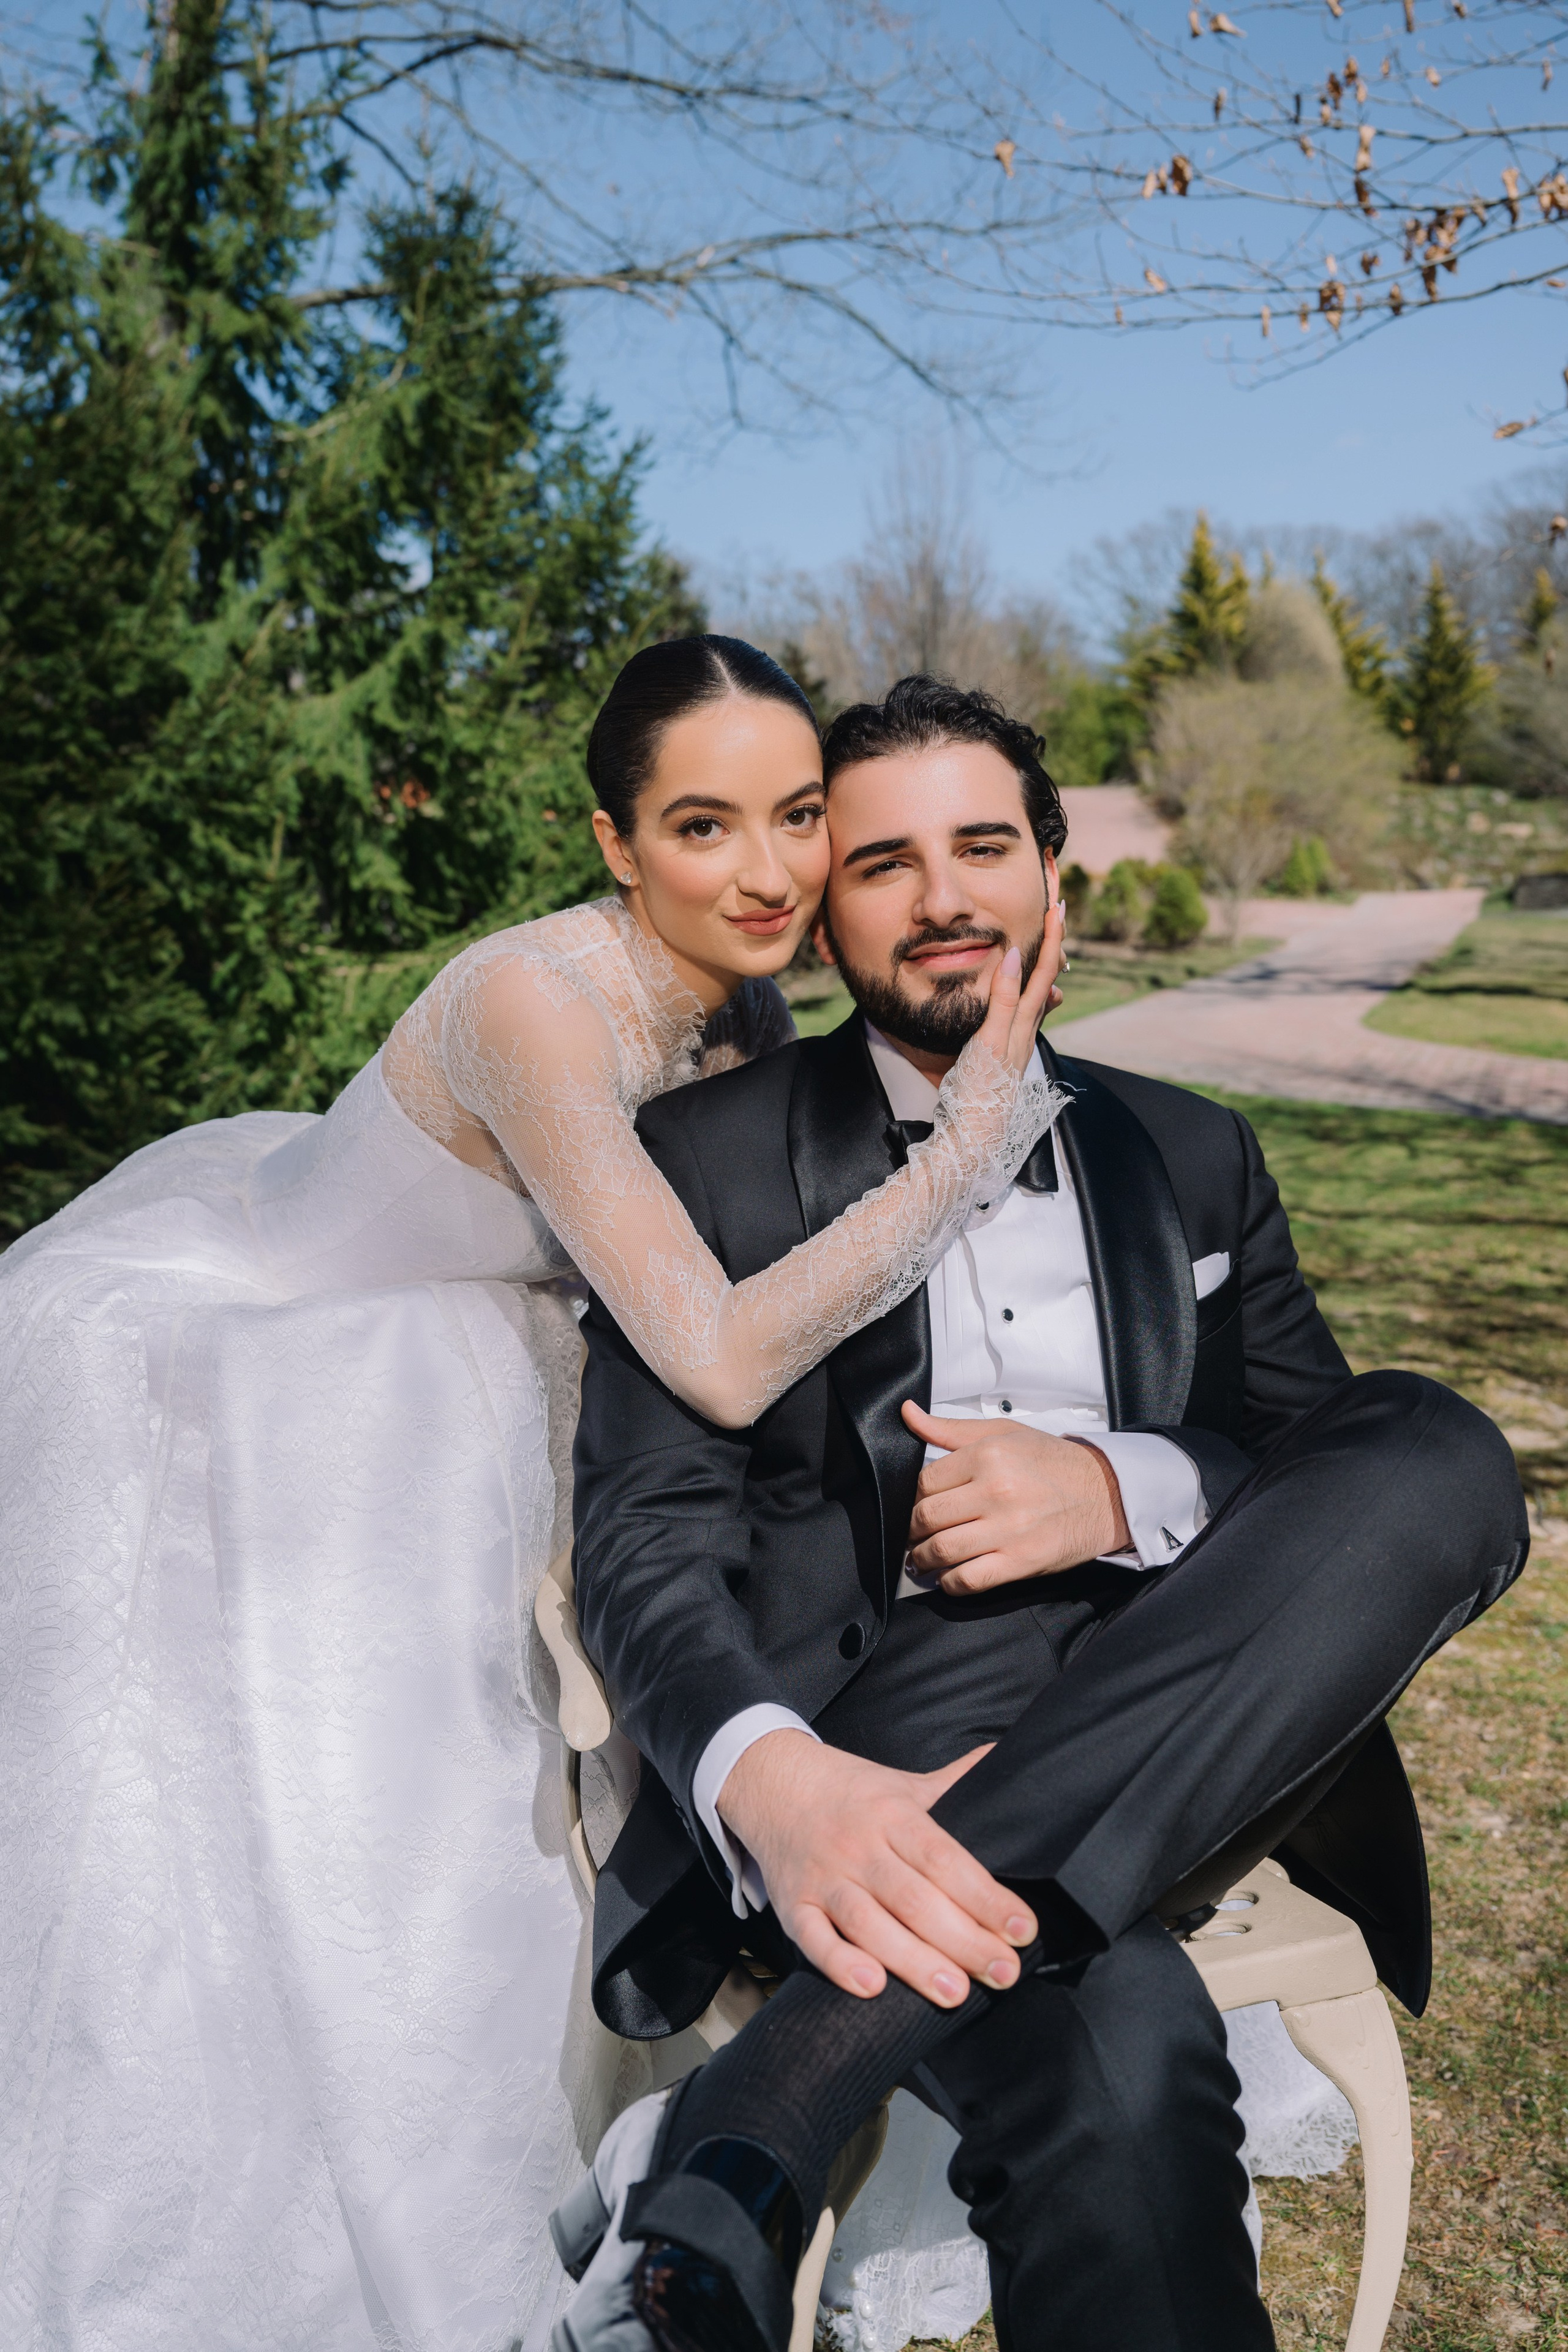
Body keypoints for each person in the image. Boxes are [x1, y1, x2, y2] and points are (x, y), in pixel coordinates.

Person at [0, 638, 1062, 2352]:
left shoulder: (744, 997)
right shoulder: (533, 1007)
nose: (774, 871)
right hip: (286, 1395)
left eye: (800, 816)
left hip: (524, 1368)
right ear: (613, 844)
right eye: (704, 827)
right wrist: (966, 1157)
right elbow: (719, 1354)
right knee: (310, 1856)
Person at [559, 674, 1530, 2352]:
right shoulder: (697, 1164)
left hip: (1210, 1701)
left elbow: (1319, 1468)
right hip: (880, 1736)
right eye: (886, 862)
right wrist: (775, 1789)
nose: (946, 899)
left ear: (1054, 876)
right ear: (821, 906)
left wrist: (1120, 1488)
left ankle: (758, 2113)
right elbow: (643, 1535)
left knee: (1439, 1449)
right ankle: (782, 2097)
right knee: (1128, 2067)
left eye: (986, 845)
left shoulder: (1197, 1149)